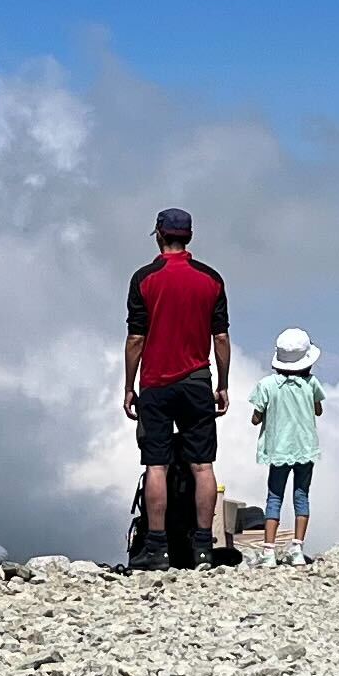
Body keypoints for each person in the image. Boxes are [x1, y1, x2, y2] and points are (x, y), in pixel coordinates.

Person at [122, 206, 231, 568]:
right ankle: (202, 545)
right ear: (190, 236)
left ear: (158, 234)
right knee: (202, 466)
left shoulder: (144, 278)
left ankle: (157, 547)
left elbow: (136, 338)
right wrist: (223, 384)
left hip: (156, 382)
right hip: (198, 380)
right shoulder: (211, 279)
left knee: (157, 465)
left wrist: (128, 386)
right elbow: (221, 338)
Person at [249, 326, 324, 563]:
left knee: (274, 497)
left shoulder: (267, 385)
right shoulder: (311, 384)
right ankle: (297, 549)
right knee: (301, 496)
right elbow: (318, 410)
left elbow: (255, 417)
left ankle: (269, 551)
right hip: (304, 447)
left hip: (279, 449)